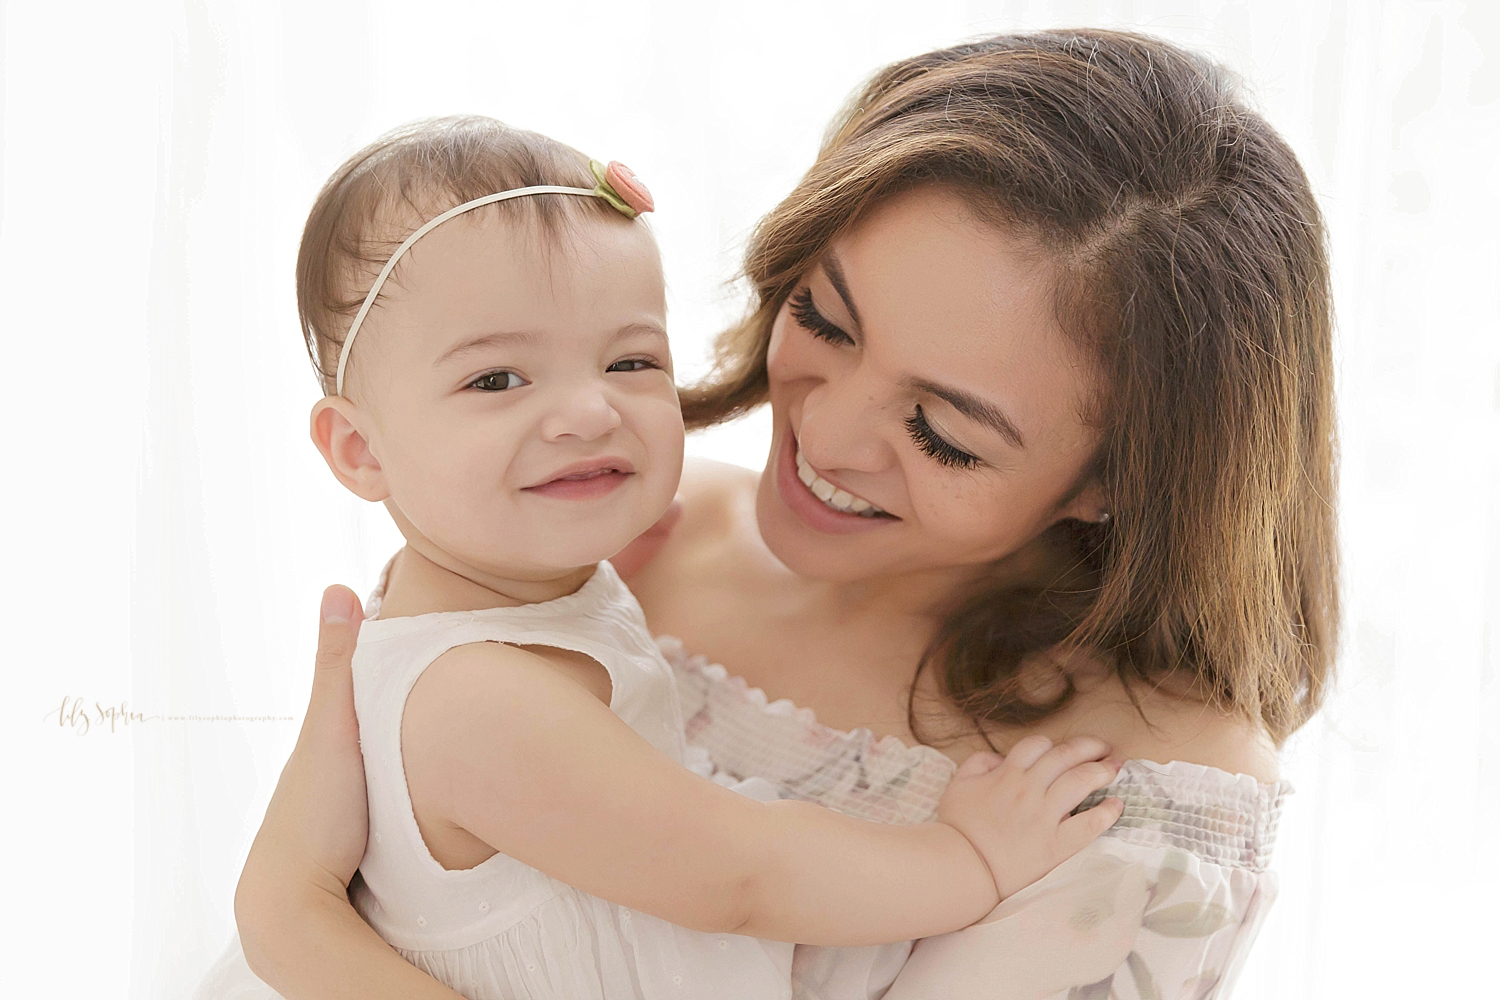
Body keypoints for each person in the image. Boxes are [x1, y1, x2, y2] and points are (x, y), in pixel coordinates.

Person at [225, 27, 1335, 1000]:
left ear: (1121, 479)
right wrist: (288, 906)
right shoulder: (610, 548)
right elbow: (301, 900)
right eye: (825, 318)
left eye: (943, 430)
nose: (826, 437)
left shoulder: (1143, 812)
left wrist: (295, 913)